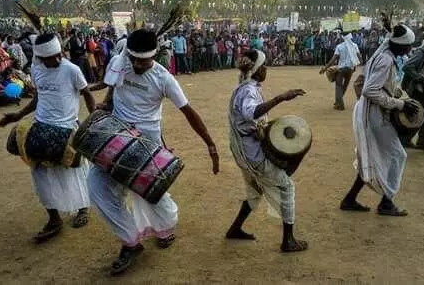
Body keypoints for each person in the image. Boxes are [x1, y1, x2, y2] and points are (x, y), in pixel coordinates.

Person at [89, 29, 220, 275]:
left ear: (155, 55)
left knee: (150, 193)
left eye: (144, 60)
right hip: (115, 136)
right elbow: (113, 86)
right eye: (134, 59)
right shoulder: (121, 62)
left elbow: (188, 112)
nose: (138, 64)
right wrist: (106, 102)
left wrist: (211, 145)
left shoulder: (164, 78)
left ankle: (165, 227)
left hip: (147, 143)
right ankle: (130, 241)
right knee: (95, 185)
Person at [0, 33, 95, 242]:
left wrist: (93, 119)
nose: (58, 59)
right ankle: (54, 219)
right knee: (39, 172)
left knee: (73, 172)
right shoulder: (36, 69)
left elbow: (87, 93)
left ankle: (83, 208)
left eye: (59, 54)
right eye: (52, 57)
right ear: (41, 58)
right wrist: (19, 115)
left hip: (67, 127)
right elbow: (38, 98)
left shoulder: (72, 69)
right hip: (41, 125)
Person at [226, 49, 308, 252]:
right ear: (256, 70)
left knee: (256, 190)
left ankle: (235, 228)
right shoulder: (247, 90)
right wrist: (282, 97)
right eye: (264, 66)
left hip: (246, 149)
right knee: (286, 187)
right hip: (251, 153)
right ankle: (288, 241)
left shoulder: (247, 86)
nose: (266, 69)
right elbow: (251, 112)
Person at [340, 23, 418, 216]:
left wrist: (400, 95)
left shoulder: (384, 56)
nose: (410, 49)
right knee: (398, 155)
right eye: (409, 46)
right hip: (374, 114)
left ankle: (350, 199)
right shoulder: (385, 60)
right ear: (399, 45)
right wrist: (400, 105)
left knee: (370, 156)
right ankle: (386, 202)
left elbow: (381, 85)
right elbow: (370, 90)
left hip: (371, 112)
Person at [319, 34, 361, 110]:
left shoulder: (340, 46)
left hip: (341, 69)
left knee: (338, 86)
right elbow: (360, 59)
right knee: (345, 85)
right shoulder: (354, 46)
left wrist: (325, 68)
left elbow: (333, 59)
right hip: (350, 69)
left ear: (343, 38)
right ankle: (338, 101)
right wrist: (354, 66)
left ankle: (340, 104)